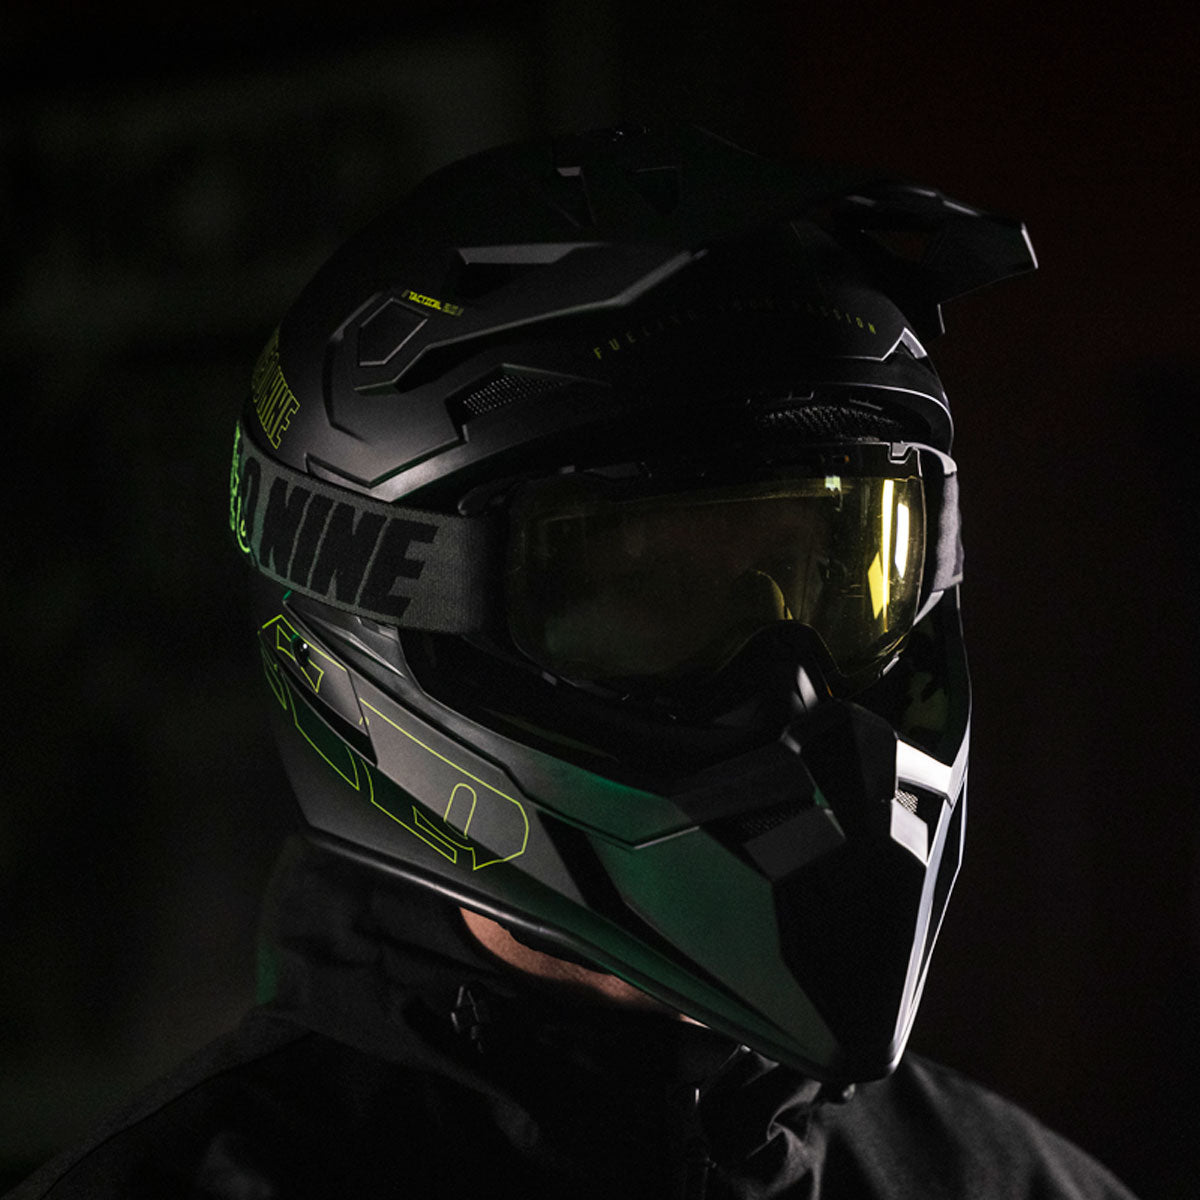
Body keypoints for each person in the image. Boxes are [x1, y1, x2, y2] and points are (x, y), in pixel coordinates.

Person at [7, 126, 1140, 1199]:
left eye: (824, 574)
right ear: (389, 603)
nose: (792, 693)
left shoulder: (1009, 1183)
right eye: (650, 592)